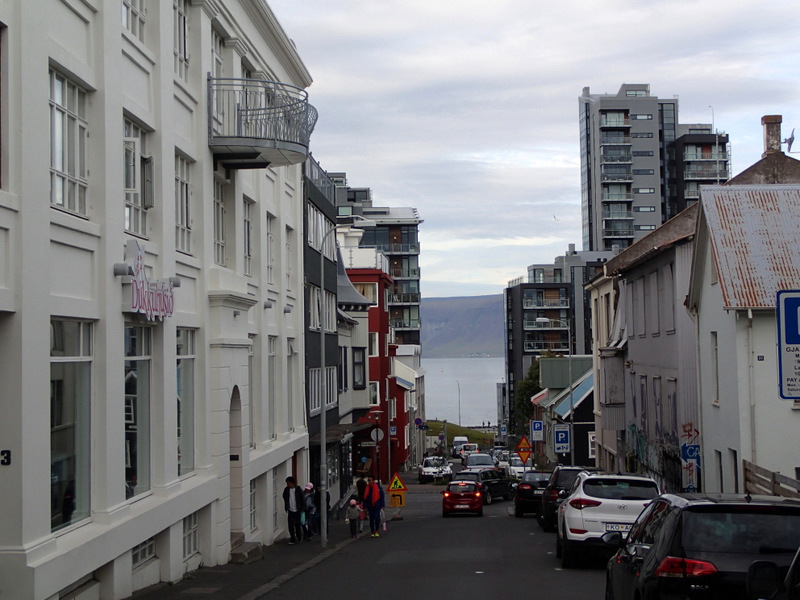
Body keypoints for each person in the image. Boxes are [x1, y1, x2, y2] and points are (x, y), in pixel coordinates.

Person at [282, 476, 304, 545]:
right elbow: (284, 496)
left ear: (292, 483)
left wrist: (302, 509)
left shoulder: (298, 489)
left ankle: (299, 536)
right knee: (290, 525)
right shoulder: (286, 490)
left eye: (288, 483)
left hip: (297, 510)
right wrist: (287, 506)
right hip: (290, 510)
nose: (287, 485)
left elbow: (302, 499)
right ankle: (292, 538)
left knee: (297, 524)